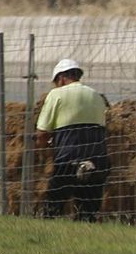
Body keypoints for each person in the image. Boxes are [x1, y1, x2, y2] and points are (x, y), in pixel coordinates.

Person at [36, 58, 111, 221]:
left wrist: (45, 148)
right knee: (88, 215)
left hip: (68, 160)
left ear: (61, 78)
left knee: (52, 208)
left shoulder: (56, 94)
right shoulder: (97, 96)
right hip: (97, 161)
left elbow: (42, 133)